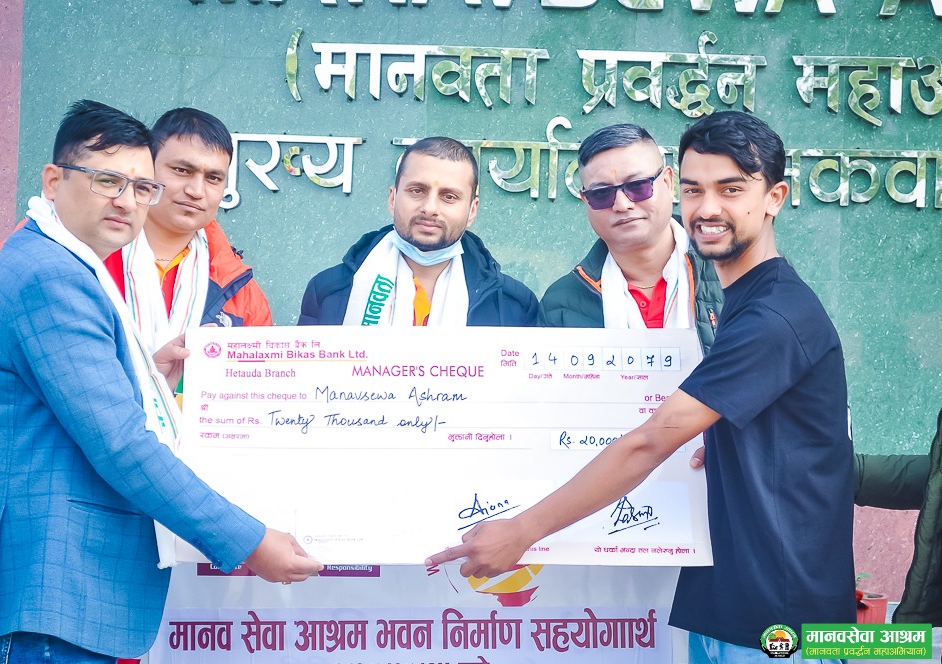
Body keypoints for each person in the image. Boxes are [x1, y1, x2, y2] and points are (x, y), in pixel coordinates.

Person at [427, 111, 854, 660]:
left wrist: (522, 531)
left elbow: (652, 439)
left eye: (731, 190)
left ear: (774, 197)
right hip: (725, 603)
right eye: (696, 190)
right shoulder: (747, 300)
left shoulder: (772, 315)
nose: (707, 208)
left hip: (781, 623)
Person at [0, 100, 320, 663]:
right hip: (52, 586)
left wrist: (142, 378)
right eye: (107, 181)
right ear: (53, 181)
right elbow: (120, 442)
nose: (126, 199)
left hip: (91, 579)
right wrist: (251, 541)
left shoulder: (217, 280)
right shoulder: (54, 274)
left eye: (140, 188)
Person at [0, 106, 270, 373]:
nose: (197, 190)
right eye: (181, 170)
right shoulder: (65, 241)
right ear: (147, 169)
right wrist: (66, 371)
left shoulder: (238, 287)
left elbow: (265, 385)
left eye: (213, 178)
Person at [298, 136, 538, 326]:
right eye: (417, 191)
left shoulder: (513, 305)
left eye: (449, 196)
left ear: (472, 210)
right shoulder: (329, 291)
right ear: (393, 198)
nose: (430, 208)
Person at [539, 123, 722, 354]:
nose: (622, 204)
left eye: (638, 186)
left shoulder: (734, 271)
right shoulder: (561, 305)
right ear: (586, 201)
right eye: (601, 193)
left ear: (668, 183)